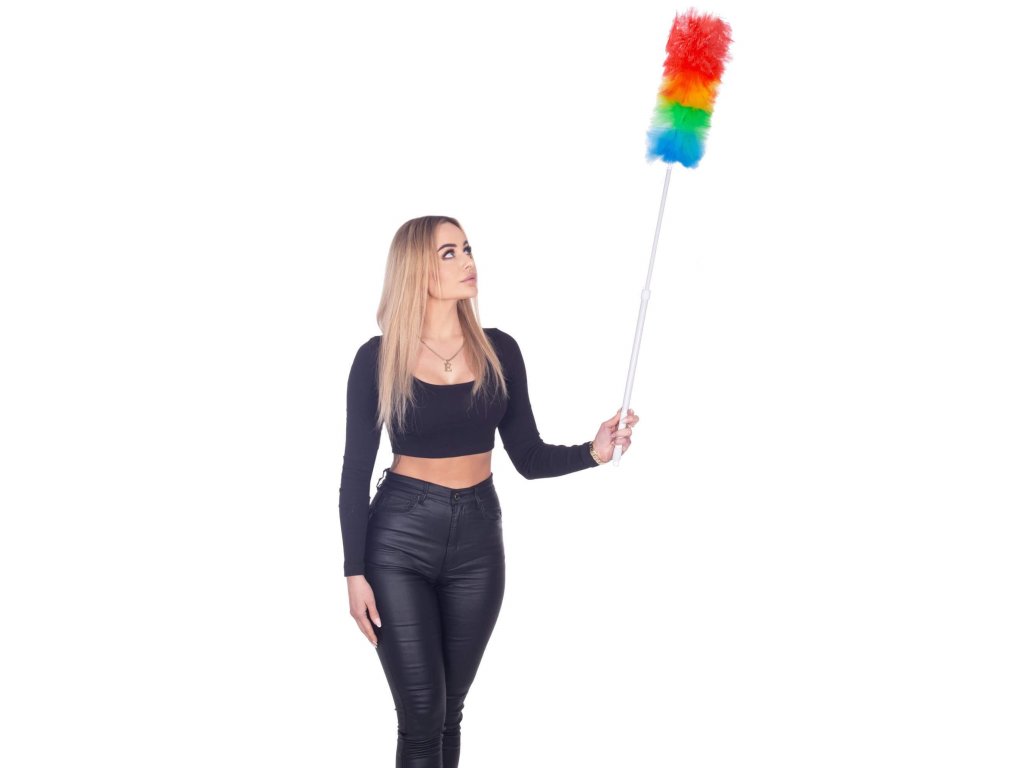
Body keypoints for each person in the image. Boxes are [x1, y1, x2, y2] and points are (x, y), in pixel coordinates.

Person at [339, 215, 640, 768]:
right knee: (422, 713)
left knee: (449, 711)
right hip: (399, 540)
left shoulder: (500, 349)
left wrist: (593, 452)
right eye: (449, 253)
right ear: (417, 269)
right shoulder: (378, 358)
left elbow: (527, 456)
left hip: (478, 541)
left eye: (467, 248)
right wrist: (353, 571)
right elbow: (355, 472)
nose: (468, 261)